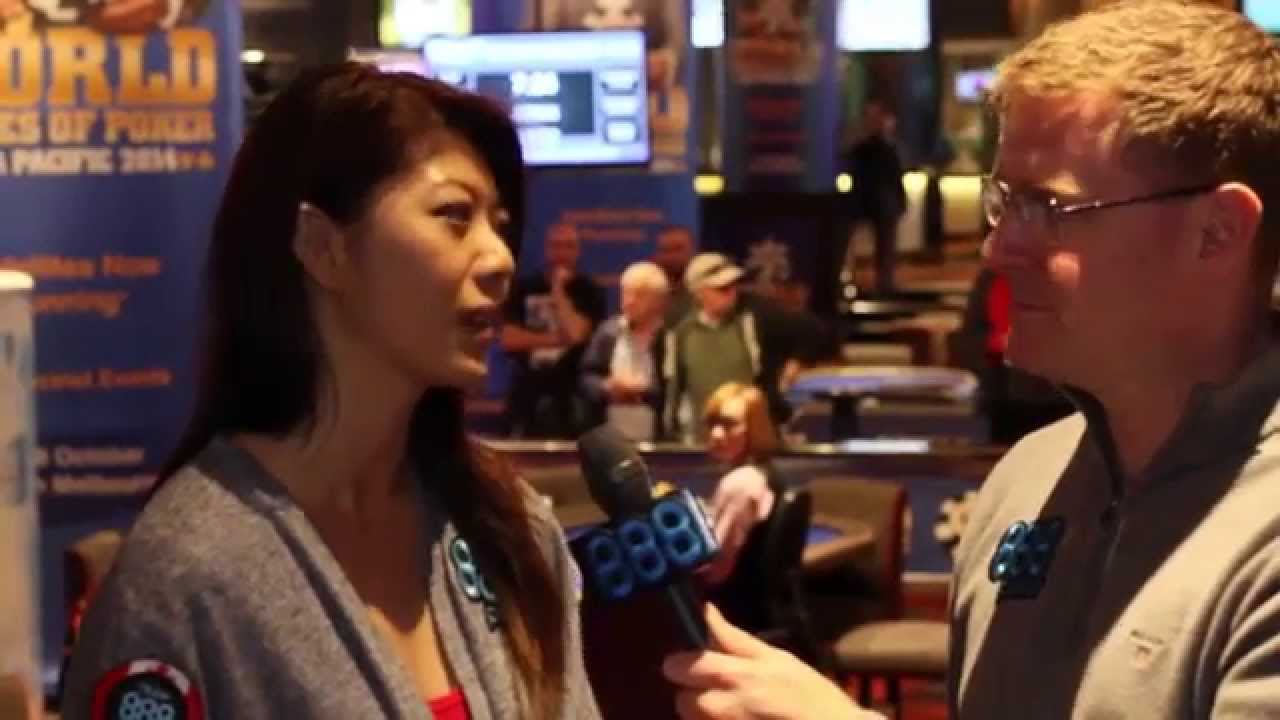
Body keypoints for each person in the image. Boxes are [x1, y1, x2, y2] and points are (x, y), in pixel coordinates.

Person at [663, 2, 1280, 718]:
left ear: (1216, 233)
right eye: (1004, 202)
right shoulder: (1024, 481)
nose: (997, 250)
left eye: (1049, 209)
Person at [61, 64, 600, 719]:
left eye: (500, 224)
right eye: (454, 217)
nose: (500, 259)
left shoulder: (510, 529)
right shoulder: (187, 575)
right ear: (322, 247)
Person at [659, 253, 831, 442]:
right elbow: (674, 388)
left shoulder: (755, 316)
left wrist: (797, 361)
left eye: (734, 285)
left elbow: (815, 330)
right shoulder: (682, 331)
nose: (731, 293)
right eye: (722, 289)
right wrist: (672, 432)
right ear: (699, 293)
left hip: (753, 437)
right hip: (703, 437)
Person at [501, 222, 606, 438]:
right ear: (547, 249)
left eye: (568, 246)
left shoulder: (589, 291)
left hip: (572, 393)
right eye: (556, 246)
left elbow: (577, 334)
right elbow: (509, 339)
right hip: (527, 390)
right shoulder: (524, 288)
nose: (562, 253)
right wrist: (559, 339)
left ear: (577, 251)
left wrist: (558, 292)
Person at [698, 383, 784, 634]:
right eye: (712, 423)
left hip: (732, 617)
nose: (716, 433)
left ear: (755, 429)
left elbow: (713, 570)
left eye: (729, 424)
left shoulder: (740, 484)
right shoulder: (765, 473)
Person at [580, 261, 669, 441]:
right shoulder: (608, 333)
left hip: (657, 440)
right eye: (626, 293)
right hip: (610, 439)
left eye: (639, 295)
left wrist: (643, 390)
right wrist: (606, 387)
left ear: (658, 300)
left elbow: (674, 388)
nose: (629, 301)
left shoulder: (670, 337)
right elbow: (587, 377)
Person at [843, 99, 907, 296]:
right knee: (855, 244)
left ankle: (883, 283)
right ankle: (853, 280)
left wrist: (899, 199)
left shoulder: (886, 147)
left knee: (885, 247)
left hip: (881, 202)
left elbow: (895, 176)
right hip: (867, 201)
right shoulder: (864, 147)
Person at [653, 224, 697, 324]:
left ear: (694, 251)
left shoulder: (705, 290)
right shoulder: (650, 292)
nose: (672, 256)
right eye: (666, 250)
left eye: (678, 249)